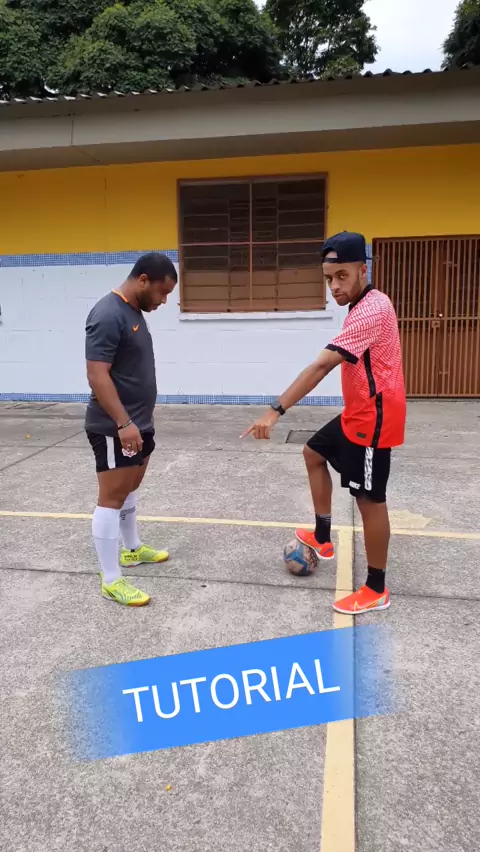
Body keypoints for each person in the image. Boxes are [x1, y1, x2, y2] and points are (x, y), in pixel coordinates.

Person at [242, 231, 406, 615]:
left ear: (363, 270)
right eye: (329, 278)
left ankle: (376, 588)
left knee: (370, 500)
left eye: (342, 276)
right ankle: (322, 536)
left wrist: (275, 410)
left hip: (375, 417)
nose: (334, 286)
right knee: (313, 452)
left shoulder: (371, 310)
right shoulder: (362, 303)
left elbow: (321, 366)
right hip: (358, 410)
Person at [84, 252, 178, 607]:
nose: (164, 301)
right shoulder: (107, 313)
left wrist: (137, 422)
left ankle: (132, 548)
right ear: (142, 280)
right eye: (162, 292)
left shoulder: (133, 311)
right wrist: (123, 423)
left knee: (130, 488)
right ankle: (111, 580)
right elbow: (97, 375)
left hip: (139, 424)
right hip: (115, 427)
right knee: (111, 498)